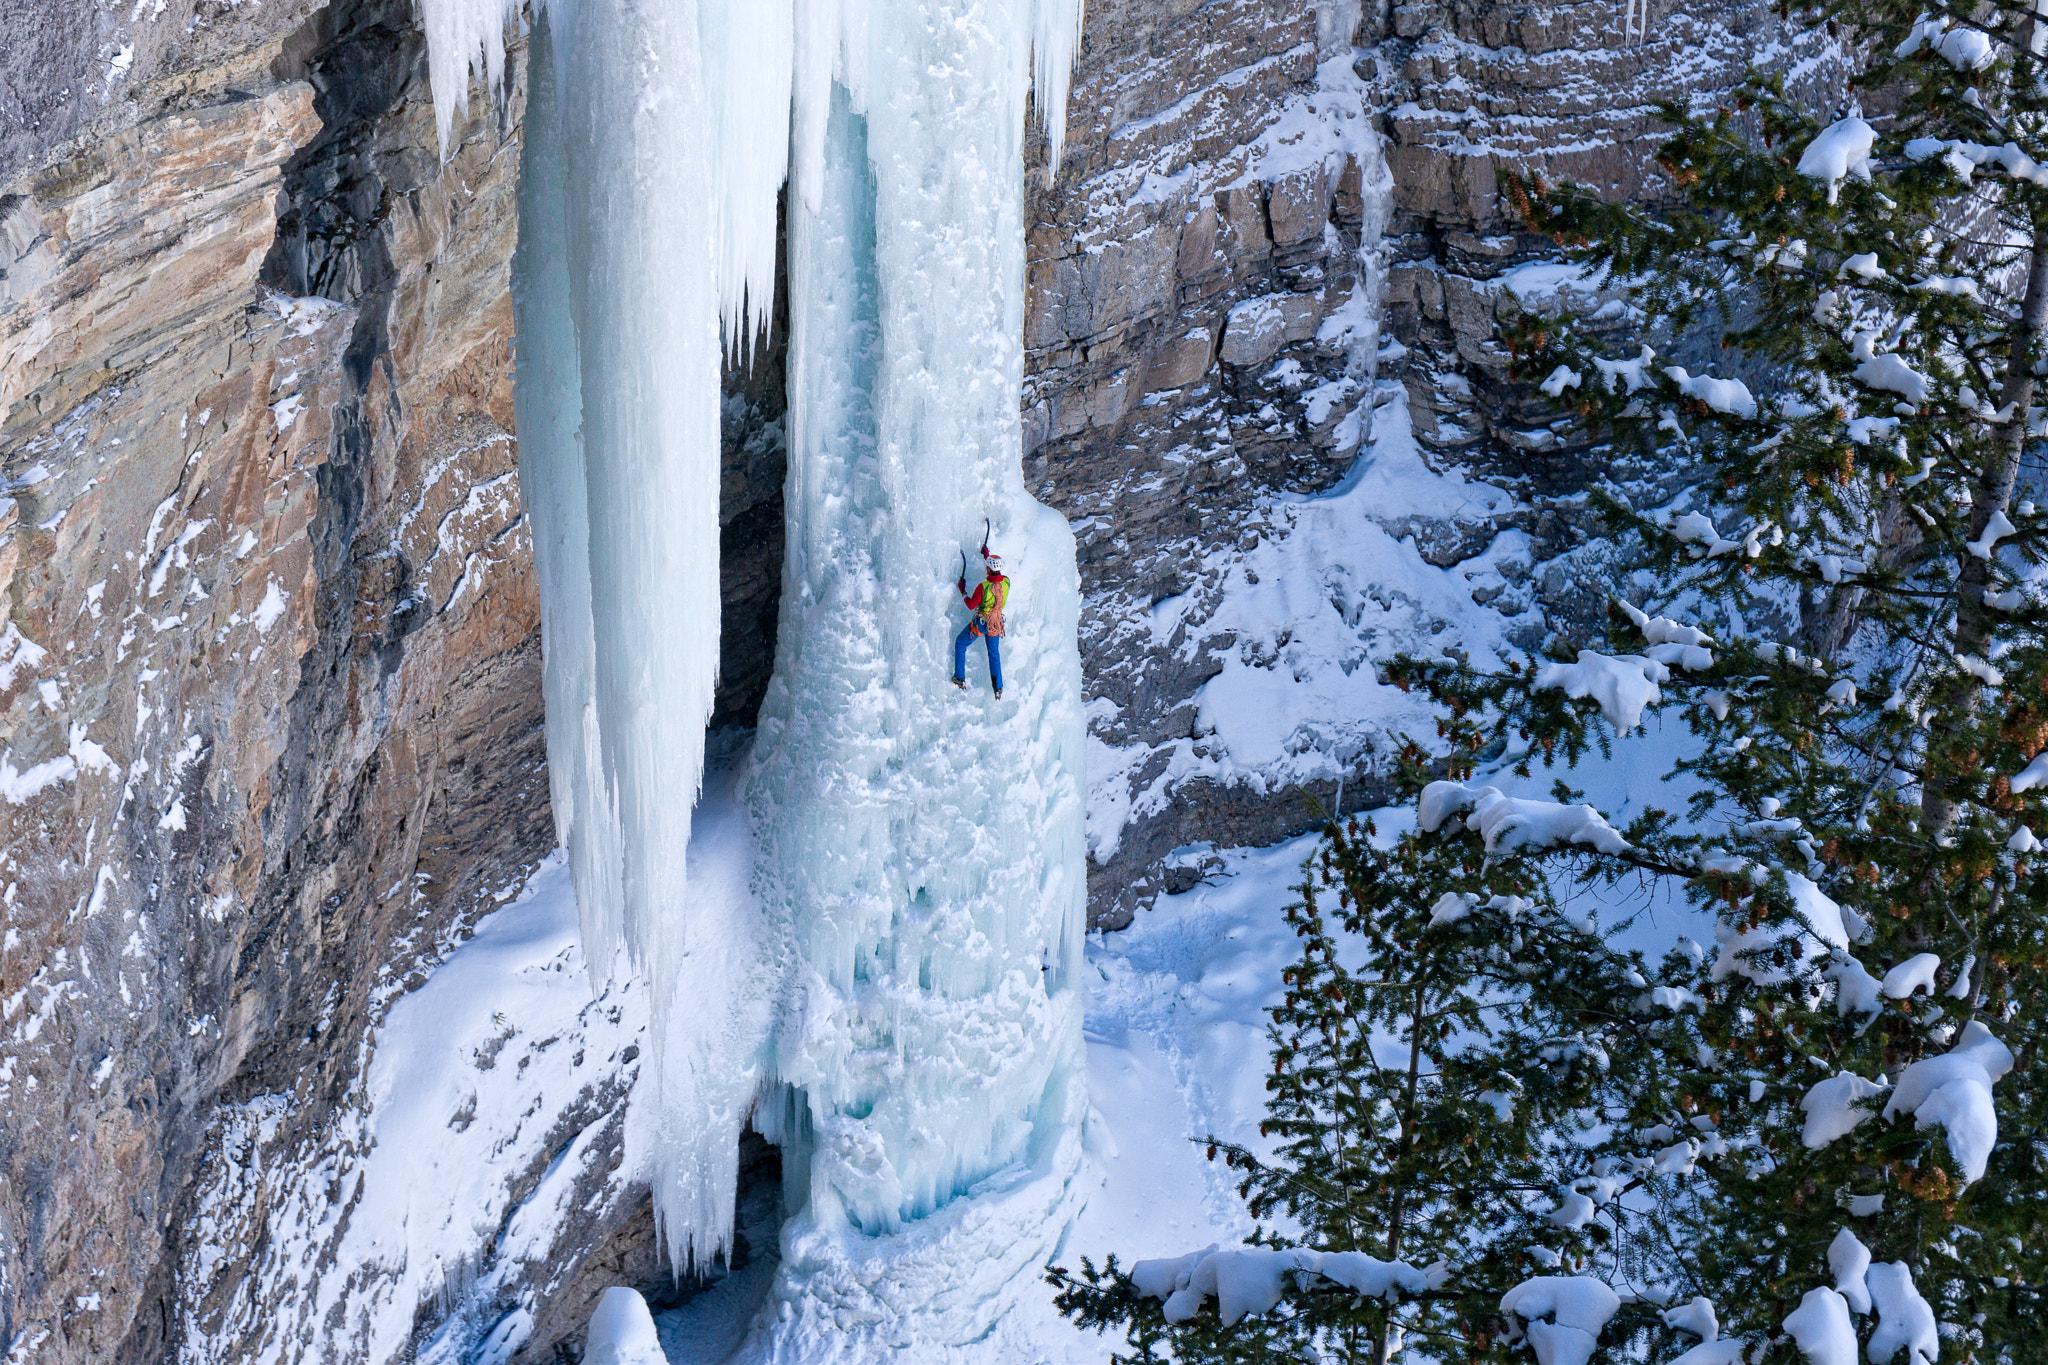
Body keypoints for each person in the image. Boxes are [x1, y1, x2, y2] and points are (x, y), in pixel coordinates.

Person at [953, 551, 1009, 698]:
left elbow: (971, 605)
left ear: (988, 569)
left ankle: (960, 677)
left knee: (960, 643)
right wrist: (987, 556)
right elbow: (995, 575)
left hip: (982, 623)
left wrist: (962, 590)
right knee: (994, 654)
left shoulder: (983, 587)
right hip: (996, 624)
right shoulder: (1007, 582)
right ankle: (998, 688)